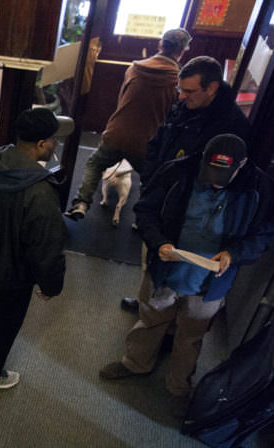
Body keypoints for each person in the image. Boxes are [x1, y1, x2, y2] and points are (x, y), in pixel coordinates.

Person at [100, 134, 273, 398]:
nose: (215, 181)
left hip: (211, 279)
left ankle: (178, 386)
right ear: (203, 158)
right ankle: (135, 364)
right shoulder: (176, 171)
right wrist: (159, 243)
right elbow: (145, 211)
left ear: (242, 165)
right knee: (151, 320)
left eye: (223, 176)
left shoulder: (260, 189)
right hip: (166, 268)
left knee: (191, 336)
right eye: (210, 172)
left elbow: (263, 234)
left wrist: (234, 253)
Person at [119, 55, 251, 312]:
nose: (181, 96)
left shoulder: (231, 127)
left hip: (190, 208)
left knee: (184, 269)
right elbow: (157, 142)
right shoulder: (183, 107)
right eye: (180, 89)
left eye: (189, 91)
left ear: (211, 88)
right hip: (161, 193)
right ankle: (148, 303)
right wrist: (151, 176)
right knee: (155, 257)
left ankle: (168, 324)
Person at [0, 107, 72, 390]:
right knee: (5, 323)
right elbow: (47, 245)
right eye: (54, 140)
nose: (56, 144)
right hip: (16, 273)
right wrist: (50, 285)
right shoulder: (41, 191)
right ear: (41, 144)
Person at [65, 28, 191, 220]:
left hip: (117, 133)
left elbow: (121, 100)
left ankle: (81, 203)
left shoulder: (134, 69)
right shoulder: (177, 80)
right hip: (147, 142)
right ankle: (141, 220)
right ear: (182, 51)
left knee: (94, 163)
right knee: (151, 180)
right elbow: (175, 116)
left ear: (160, 44)